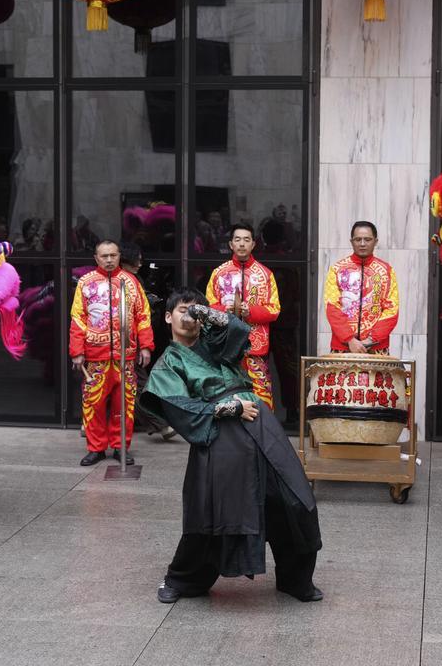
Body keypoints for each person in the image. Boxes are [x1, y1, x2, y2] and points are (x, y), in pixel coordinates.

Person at [141, 289, 322, 605]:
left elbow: (238, 331)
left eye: (197, 311)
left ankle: (295, 579)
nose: (190, 317)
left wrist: (205, 312)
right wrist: (227, 409)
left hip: (260, 424)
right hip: (219, 435)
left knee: (294, 498)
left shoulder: (213, 345)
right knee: (216, 513)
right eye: (184, 310)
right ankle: (182, 579)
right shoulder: (168, 363)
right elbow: (178, 408)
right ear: (168, 316)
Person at [69, 241, 154, 466]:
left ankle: (120, 447)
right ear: (96, 258)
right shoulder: (86, 283)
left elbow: (143, 315)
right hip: (94, 355)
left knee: (123, 404)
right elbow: (78, 319)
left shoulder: (131, 282)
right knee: (93, 404)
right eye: (104, 256)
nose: (108, 259)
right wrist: (77, 352)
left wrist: (145, 346)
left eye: (113, 255)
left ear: (118, 257)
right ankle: (95, 448)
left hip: (124, 356)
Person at [204, 222, 281, 410]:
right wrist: (226, 310)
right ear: (231, 244)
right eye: (237, 240)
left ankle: (262, 435)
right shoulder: (219, 273)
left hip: (255, 349)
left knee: (262, 396)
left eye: (246, 240)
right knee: (228, 398)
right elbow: (208, 309)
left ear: (253, 244)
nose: (241, 244)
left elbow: (274, 309)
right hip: (226, 348)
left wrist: (251, 312)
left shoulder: (265, 274)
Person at [119, 241, 176, 442]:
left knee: (137, 384)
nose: (141, 262)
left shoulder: (134, 279)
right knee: (136, 386)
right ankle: (160, 424)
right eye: (137, 258)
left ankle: (159, 423)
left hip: (131, 342)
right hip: (118, 342)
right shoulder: (124, 281)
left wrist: (145, 345)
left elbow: (142, 316)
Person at [323, 221, 399, 354]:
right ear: (351, 241)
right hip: (343, 346)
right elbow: (332, 308)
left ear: (375, 241)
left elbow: (391, 310)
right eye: (358, 239)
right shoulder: (337, 269)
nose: (362, 243)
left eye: (367, 239)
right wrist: (350, 340)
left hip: (376, 347)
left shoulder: (387, 271)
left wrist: (370, 340)